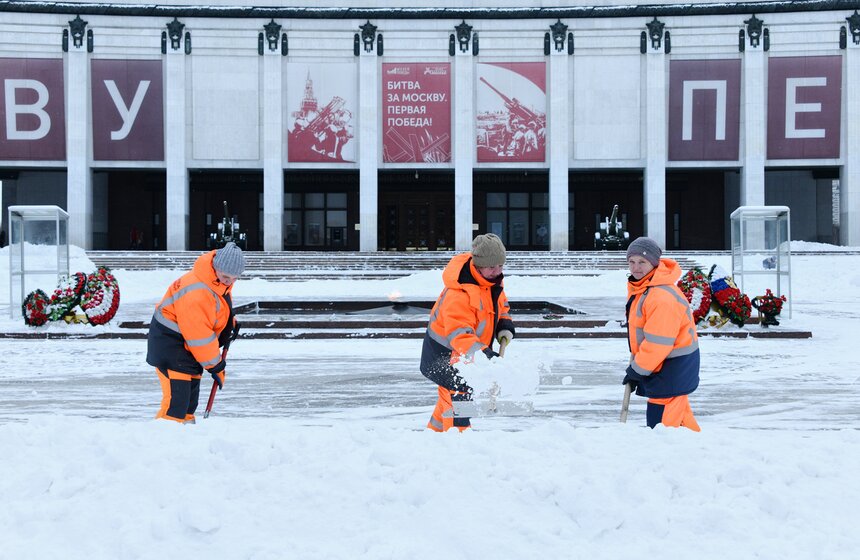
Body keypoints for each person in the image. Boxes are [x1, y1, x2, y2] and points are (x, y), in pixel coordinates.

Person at [420, 233, 516, 432]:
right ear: (478, 266)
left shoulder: (492, 281)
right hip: (443, 356)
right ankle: (459, 442)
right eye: (492, 267)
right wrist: (485, 354)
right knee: (459, 399)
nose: (497, 272)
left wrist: (504, 324)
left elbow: (501, 304)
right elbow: (460, 334)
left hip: (464, 355)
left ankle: (434, 435)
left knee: (448, 399)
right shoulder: (459, 294)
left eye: (501, 266)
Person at [146, 242, 245, 423]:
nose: (229, 282)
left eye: (234, 278)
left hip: (185, 349)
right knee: (176, 404)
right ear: (216, 268)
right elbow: (199, 334)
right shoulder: (198, 290)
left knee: (189, 402)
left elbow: (215, 311)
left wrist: (229, 325)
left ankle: (187, 438)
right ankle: (161, 440)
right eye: (226, 276)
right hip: (171, 346)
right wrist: (215, 365)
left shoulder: (215, 282)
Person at [623, 237, 701, 431]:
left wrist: (637, 370)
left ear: (654, 263)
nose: (636, 268)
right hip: (668, 365)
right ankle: (698, 453)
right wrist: (637, 367)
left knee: (662, 428)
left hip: (672, 366)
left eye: (642, 262)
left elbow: (658, 343)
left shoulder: (661, 296)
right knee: (680, 422)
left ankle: (671, 458)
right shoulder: (645, 289)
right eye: (631, 262)